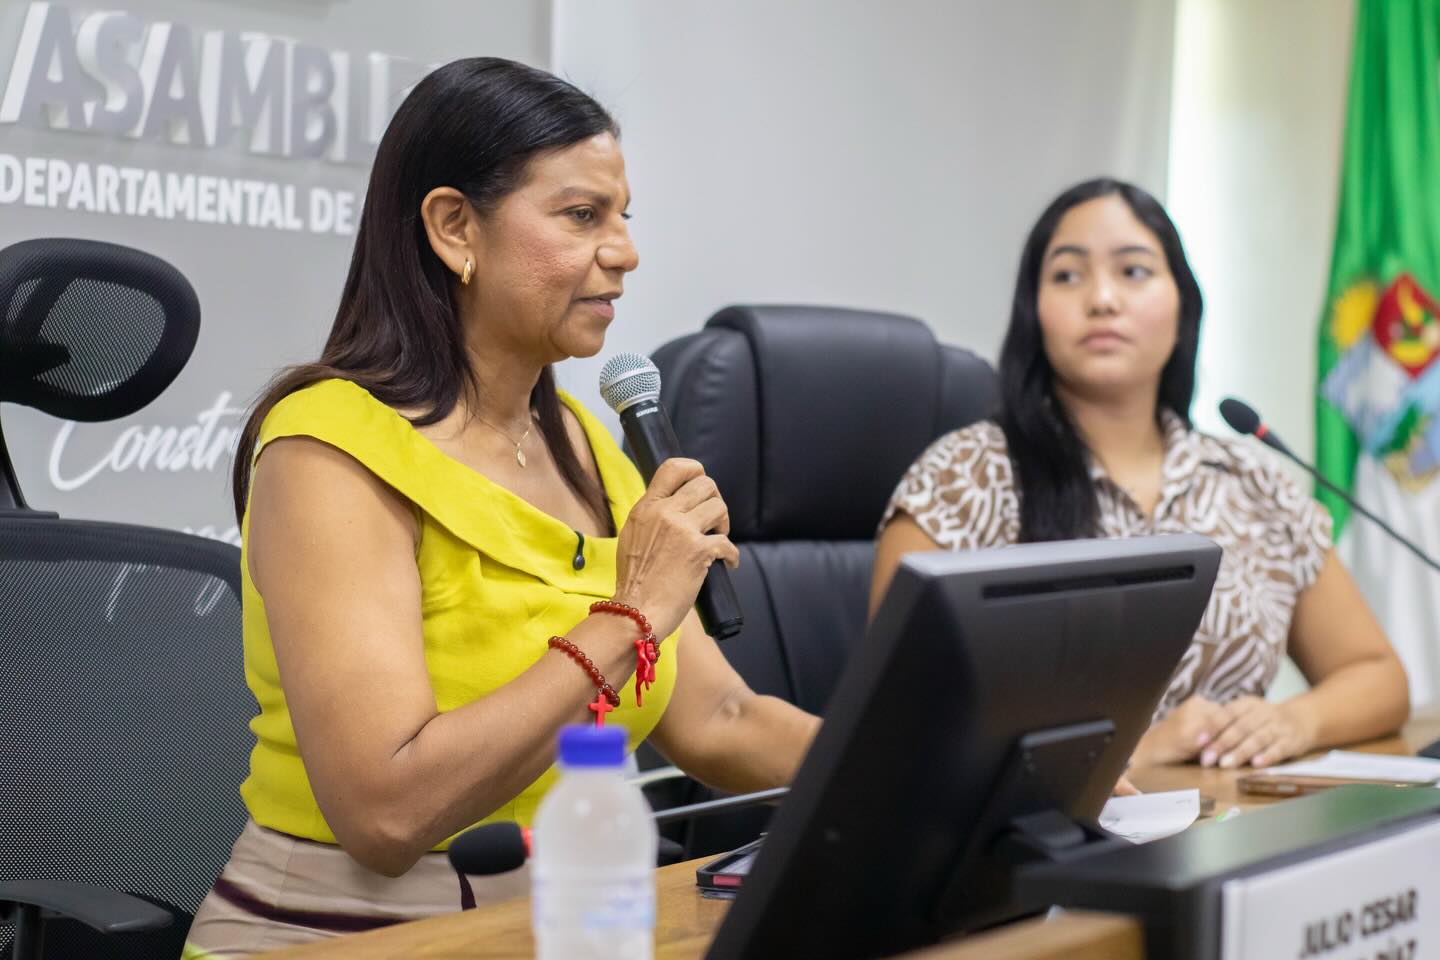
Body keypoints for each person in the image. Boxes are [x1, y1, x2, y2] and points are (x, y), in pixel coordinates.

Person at [184, 58, 818, 958]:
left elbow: (721, 721)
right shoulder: (327, 449)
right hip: (346, 935)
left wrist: (943, 773)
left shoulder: (590, 444)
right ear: (454, 227)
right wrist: (631, 615)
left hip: (561, 921)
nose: (624, 252)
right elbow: (387, 812)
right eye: (582, 216)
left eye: (624, 217)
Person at [871, 177, 1408, 775]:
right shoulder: (960, 478)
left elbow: (1377, 675)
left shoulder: (1254, 483)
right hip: (1046, 831)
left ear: (1182, 308)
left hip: (1238, 822)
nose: (1102, 298)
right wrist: (1131, 753)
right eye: (1068, 275)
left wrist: (1294, 720)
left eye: (1133, 271)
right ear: (1033, 313)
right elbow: (899, 724)